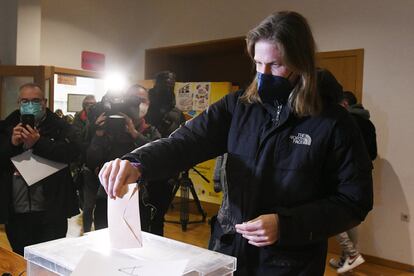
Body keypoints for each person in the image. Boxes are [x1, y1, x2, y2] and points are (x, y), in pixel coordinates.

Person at [98, 11, 373, 275]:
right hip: (229, 250)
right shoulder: (238, 107)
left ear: (301, 63)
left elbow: (354, 201)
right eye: (258, 63)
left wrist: (286, 225)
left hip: (289, 262)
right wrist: (137, 162)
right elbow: (185, 142)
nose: (264, 74)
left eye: (276, 65)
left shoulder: (333, 122)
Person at [0, 83, 80, 255]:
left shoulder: (61, 127)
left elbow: (73, 153)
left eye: (35, 100)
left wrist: (39, 143)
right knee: (21, 258)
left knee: (50, 260)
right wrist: (12, 144)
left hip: (51, 210)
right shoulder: (6, 128)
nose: (30, 105)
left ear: (44, 102)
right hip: (17, 212)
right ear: (18, 103)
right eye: (25, 101)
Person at [86, 86, 161, 230]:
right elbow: (91, 160)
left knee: (137, 244)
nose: (137, 104)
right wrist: (99, 133)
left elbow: (157, 156)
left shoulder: (151, 131)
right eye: (132, 100)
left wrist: (134, 133)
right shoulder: (109, 128)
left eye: (141, 100)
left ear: (149, 104)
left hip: (140, 199)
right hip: (107, 197)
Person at [329, 90, 377, 273]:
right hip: (360, 178)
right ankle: (346, 261)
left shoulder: (346, 122)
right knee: (351, 218)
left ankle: (351, 254)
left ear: (345, 104)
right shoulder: (368, 123)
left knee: (331, 216)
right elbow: (372, 153)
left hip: (340, 176)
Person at [72, 95, 98, 232]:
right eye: (87, 104)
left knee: (98, 203)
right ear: (83, 105)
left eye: (93, 104)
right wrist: (91, 123)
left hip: (100, 165)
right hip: (84, 166)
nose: (90, 106)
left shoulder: (101, 117)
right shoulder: (78, 120)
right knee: (87, 204)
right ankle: (87, 231)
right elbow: (78, 140)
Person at [146, 71, 186, 138]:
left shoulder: (178, 114)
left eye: (170, 87)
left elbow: (183, 136)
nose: (167, 90)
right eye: (163, 86)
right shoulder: (145, 110)